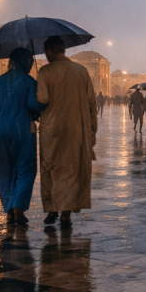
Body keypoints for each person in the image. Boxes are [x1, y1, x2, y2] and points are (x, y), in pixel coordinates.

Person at [36, 36, 98, 229]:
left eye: (46, 52)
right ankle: (66, 214)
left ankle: (53, 209)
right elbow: (91, 104)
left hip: (52, 131)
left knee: (52, 169)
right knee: (72, 171)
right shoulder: (81, 71)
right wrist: (92, 130)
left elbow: (43, 99)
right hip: (77, 130)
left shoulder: (45, 72)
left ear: (50, 51)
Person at [0, 48, 45, 226]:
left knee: (4, 171)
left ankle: (9, 209)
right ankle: (18, 207)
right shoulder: (28, 81)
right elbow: (34, 105)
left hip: (1, 132)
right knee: (25, 170)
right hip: (23, 131)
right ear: (25, 62)